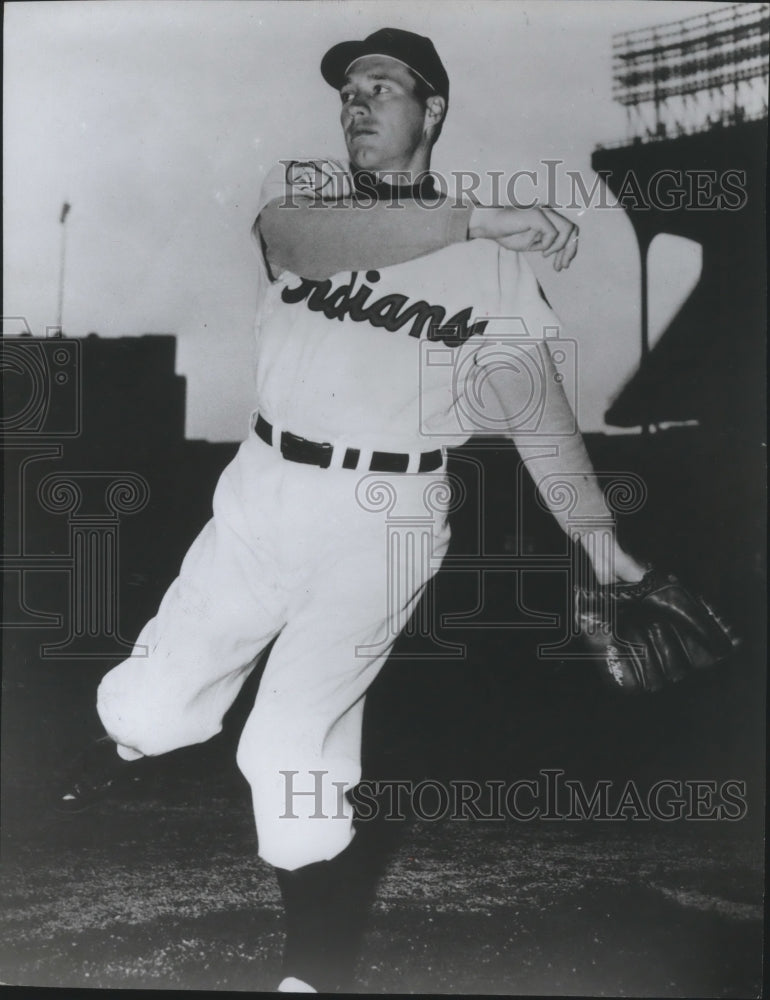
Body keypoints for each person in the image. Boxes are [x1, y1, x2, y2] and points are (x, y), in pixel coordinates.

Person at [57, 27, 646, 993]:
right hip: (260, 494)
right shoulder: (304, 210)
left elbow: (537, 410)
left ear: (434, 111)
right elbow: (303, 244)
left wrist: (598, 537)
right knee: (148, 712)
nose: (358, 103)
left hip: (387, 516)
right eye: (349, 91)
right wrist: (479, 220)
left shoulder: (492, 271)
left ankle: (312, 977)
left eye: (384, 86)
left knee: (290, 751)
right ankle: (135, 726)